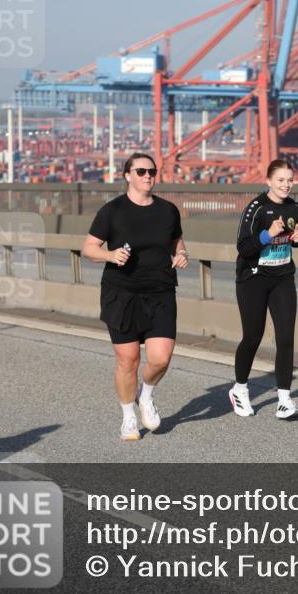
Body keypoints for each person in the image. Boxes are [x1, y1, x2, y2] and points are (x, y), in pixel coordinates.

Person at [82, 153, 188, 441]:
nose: (147, 176)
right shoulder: (112, 211)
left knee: (161, 359)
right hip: (122, 292)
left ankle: (147, 395)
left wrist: (181, 253)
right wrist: (109, 254)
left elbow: (176, 240)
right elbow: (88, 248)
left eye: (152, 171)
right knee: (127, 360)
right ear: (127, 175)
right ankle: (128, 416)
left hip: (161, 291)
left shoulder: (168, 210)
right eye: (140, 171)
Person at [228, 160, 298, 420]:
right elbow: (243, 247)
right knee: (253, 336)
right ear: (269, 181)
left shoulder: (294, 207)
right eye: (281, 180)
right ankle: (240, 389)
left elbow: (293, 239)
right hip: (254, 278)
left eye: (290, 180)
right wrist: (267, 234)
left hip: (283, 277)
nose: (286, 185)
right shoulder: (256, 207)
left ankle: (284, 400)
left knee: (286, 337)